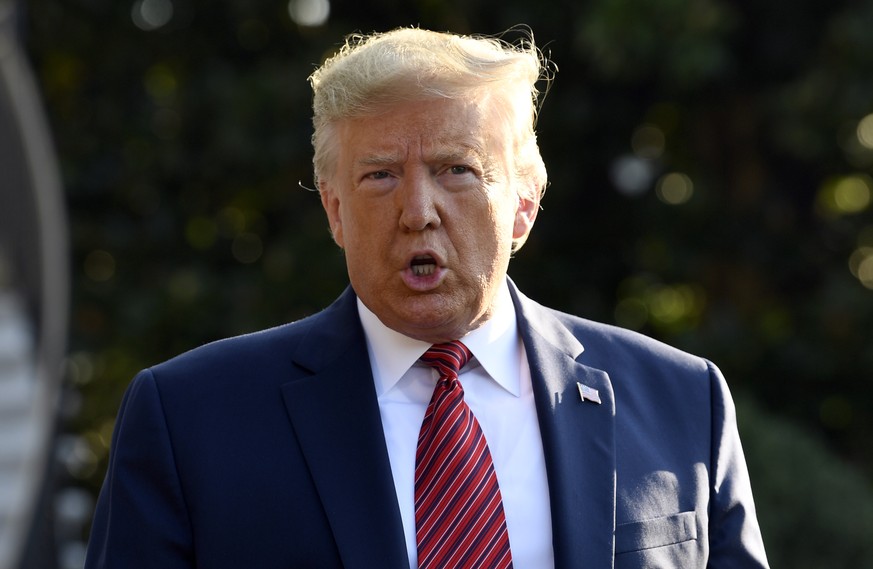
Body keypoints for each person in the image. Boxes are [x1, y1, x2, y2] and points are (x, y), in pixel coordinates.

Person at [84, 27, 770, 569]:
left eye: (456, 170)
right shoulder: (191, 419)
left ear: (524, 204)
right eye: (380, 175)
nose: (418, 210)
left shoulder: (681, 398)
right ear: (334, 210)